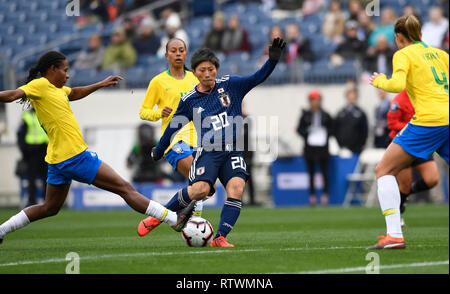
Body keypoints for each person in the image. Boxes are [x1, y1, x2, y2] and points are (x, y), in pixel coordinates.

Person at [0, 51, 195, 245]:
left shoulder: (57, 89)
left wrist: (99, 84)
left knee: (50, 208)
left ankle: (1, 230)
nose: (68, 75)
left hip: (57, 158)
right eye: (65, 70)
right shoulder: (40, 85)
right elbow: (13, 94)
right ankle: (173, 218)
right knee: (125, 188)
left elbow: (74, 93)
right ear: (52, 69)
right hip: (74, 156)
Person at [149, 38, 286, 247]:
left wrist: (272, 61)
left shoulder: (231, 85)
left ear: (217, 69)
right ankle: (160, 215)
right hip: (209, 152)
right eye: (202, 70)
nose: (207, 74)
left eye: (211, 69)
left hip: (232, 150)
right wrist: (159, 150)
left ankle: (220, 237)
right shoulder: (190, 100)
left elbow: (257, 77)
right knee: (201, 190)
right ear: (194, 72)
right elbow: (173, 126)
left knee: (237, 187)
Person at [368, 15, 448, 249]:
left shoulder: (403, 54)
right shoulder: (441, 54)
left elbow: (397, 85)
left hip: (429, 120)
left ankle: (394, 235)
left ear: (398, 38)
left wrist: (380, 81)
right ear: (421, 34)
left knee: (384, 170)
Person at [137, 38, 207, 237]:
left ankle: (164, 217)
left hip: (199, 140)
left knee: (201, 187)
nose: (178, 54)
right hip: (173, 140)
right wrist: (160, 113)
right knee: (198, 178)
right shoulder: (158, 81)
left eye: (181, 50)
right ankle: (194, 223)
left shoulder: (196, 78)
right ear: (166, 55)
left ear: (186, 54)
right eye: (173, 51)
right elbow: (143, 111)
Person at [387, 90, 440, 226]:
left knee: (432, 179)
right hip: (402, 145)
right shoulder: (399, 101)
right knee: (404, 185)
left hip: (420, 145)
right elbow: (392, 123)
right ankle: (397, 214)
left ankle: (406, 195)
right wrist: (414, 129)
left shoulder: (424, 96)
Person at [296, 90, 333, 206]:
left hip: (322, 147)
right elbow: (299, 129)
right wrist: (308, 132)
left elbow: (332, 129)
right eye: (312, 100)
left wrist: (324, 133)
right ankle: (312, 196)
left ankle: (325, 195)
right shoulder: (306, 115)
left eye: (316, 100)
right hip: (310, 148)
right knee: (311, 173)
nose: (315, 102)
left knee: (324, 172)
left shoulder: (326, 115)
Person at [17, 107, 49, 207]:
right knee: (32, 178)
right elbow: (20, 135)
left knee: (47, 177)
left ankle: (47, 200)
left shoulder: (45, 114)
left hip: (45, 150)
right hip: (32, 152)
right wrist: (25, 151)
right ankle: (32, 201)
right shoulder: (27, 116)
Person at [334, 87, 368, 154]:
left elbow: (365, 131)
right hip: (342, 148)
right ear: (346, 97)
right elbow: (335, 129)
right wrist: (339, 144)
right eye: (350, 97)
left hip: (356, 149)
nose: (351, 99)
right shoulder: (340, 113)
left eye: (353, 97)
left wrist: (360, 145)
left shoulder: (361, 113)